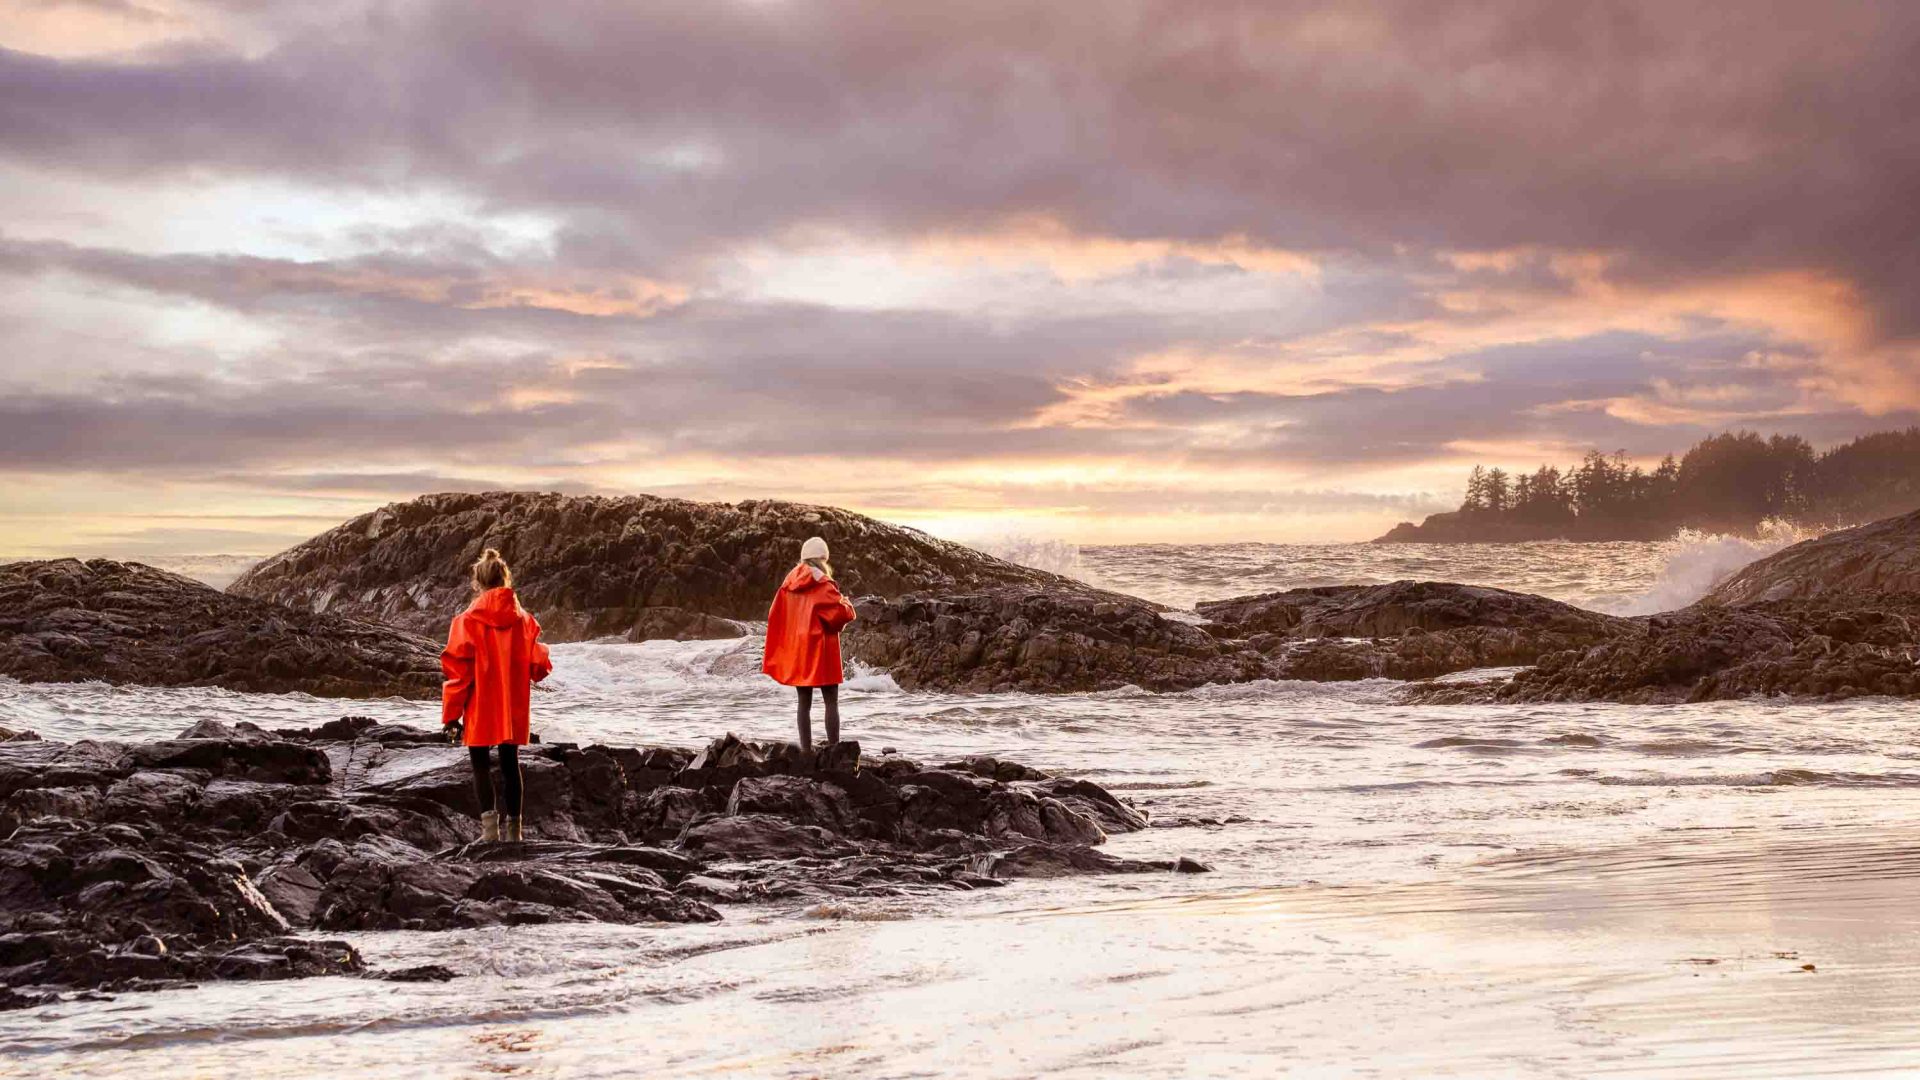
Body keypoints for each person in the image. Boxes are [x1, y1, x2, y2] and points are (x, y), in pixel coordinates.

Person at [441, 548, 552, 842]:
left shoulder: (466, 621)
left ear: (477, 583)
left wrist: (451, 716)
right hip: (513, 704)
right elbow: (539, 665)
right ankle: (515, 834)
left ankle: (490, 834)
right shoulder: (524, 619)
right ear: (505, 579)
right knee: (510, 764)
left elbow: (458, 673)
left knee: (480, 764)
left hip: (480, 702)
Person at [762, 536, 858, 751]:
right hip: (821, 648)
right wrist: (848, 604)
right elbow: (839, 615)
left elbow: (775, 616)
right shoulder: (822, 583)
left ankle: (806, 751)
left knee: (803, 702)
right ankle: (834, 749)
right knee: (830, 700)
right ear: (822, 559)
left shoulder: (787, 586)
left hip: (799, 650)